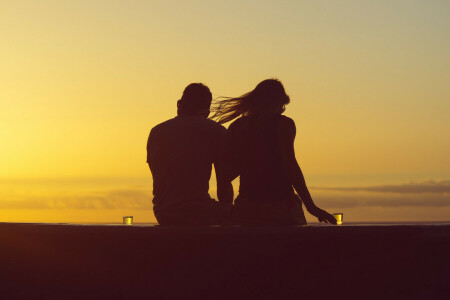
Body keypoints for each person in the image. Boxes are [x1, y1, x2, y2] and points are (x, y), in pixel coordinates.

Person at [211, 79, 336, 225]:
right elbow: (290, 166)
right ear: (278, 103)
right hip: (282, 207)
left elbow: (225, 175)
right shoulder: (284, 124)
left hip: (246, 208)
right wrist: (311, 207)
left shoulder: (237, 127)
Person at [147, 83, 233, 225]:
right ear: (207, 110)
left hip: (163, 213)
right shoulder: (216, 131)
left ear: (179, 104)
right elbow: (224, 184)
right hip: (199, 212)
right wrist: (227, 212)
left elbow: (158, 175)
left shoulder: (156, 132)